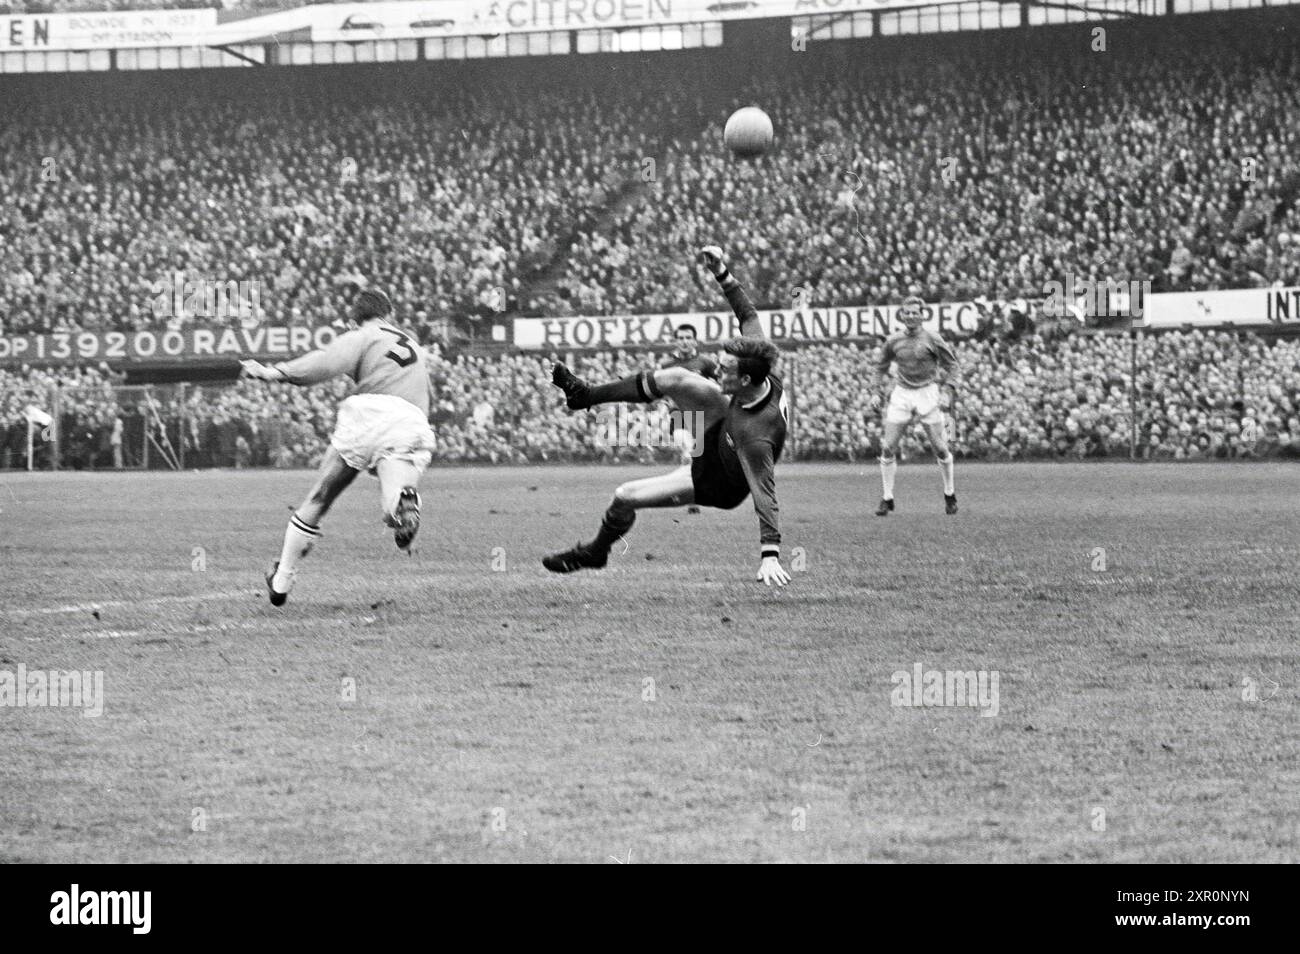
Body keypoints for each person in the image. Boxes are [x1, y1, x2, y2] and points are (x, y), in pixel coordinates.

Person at [544, 246, 792, 587]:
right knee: (676, 377)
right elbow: (748, 315)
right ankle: (585, 395)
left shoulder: (755, 433)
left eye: (725, 369)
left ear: (745, 379)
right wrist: (722, 271)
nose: (716, 369)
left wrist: (770, 554)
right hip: (719, 433)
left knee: (625, 495)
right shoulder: (757, 363)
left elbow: (764, 491)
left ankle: (595, 553)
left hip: (719, 482)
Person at [240, 288, 436, 606]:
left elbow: (325, 362)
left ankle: (282, 579)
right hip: (411, 421)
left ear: (354, 319)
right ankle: (402, 507)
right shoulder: (412, 343)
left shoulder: (363, 335)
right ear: (390, 313)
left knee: (320, 497)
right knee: (394, 495)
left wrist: (275, 372)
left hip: (370, 414)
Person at [872, 297, 960, 516]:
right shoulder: (894, 340)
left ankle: (949, 493)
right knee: (887, 447)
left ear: (923, 315)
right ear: (901, 315)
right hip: (902, 393)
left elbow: (952, 366)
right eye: (907, 312)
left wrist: (947, 391)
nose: (911, 316)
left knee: (940, 448)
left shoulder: (932, 338)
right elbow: (880, 366)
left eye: (915, 312)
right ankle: (887, 498)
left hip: (927, 392)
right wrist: (876, 391)